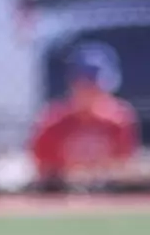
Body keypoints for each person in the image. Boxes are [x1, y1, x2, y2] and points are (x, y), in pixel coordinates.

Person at [29, 41, 139, 190]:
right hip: (64, 195)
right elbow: (42, 170)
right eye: (86, 86)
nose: (92, 93)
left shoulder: (118, 119)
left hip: (108, 192)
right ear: (73, 85)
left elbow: (124, 165)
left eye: (96, 87)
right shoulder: (54, 121)